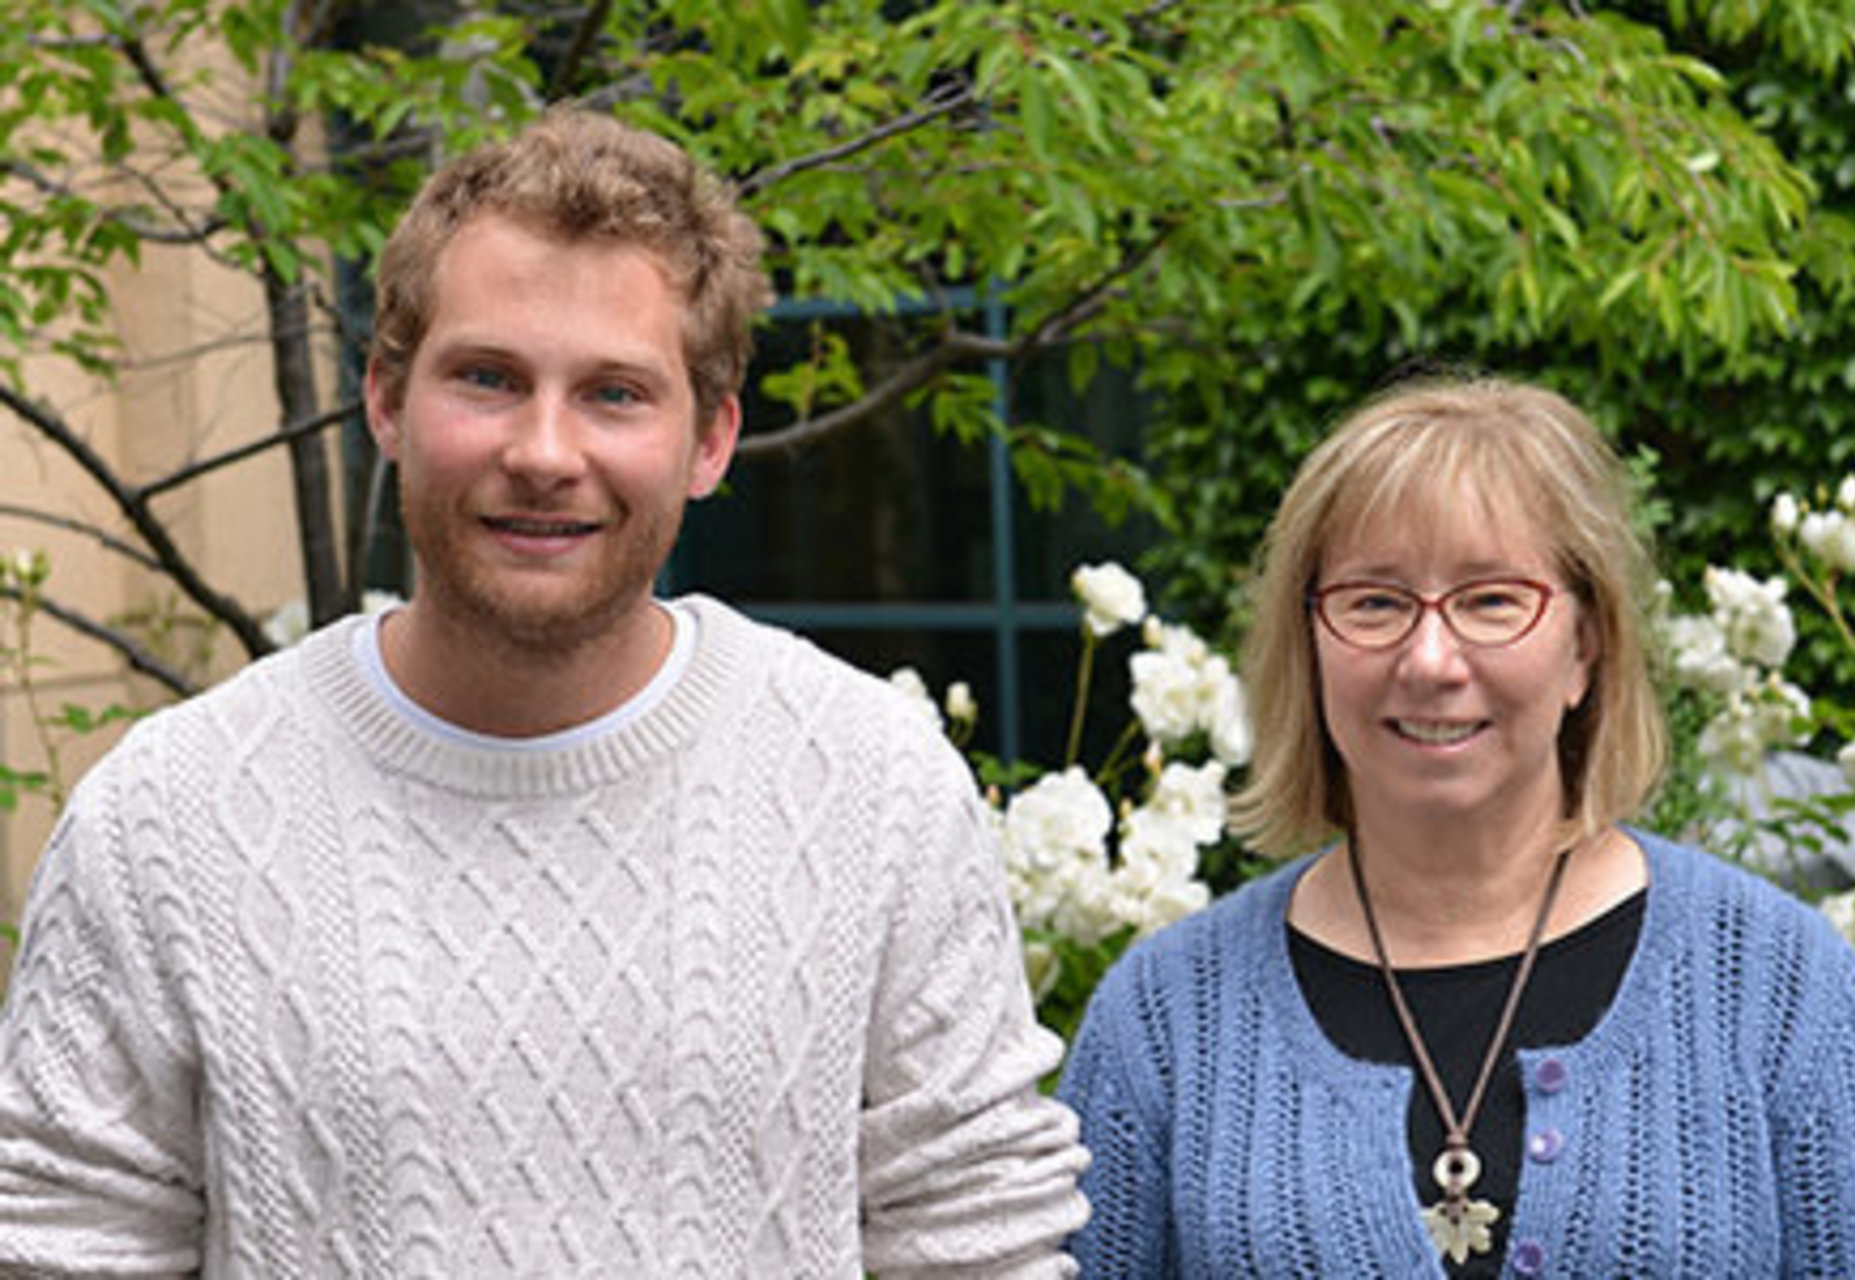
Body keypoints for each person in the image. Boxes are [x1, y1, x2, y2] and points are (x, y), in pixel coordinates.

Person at [0, 109, 1088, 1275]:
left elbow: (978, 1235)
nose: (545, 451)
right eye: (487, 377)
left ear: (711, 438)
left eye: (616, 393)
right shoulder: (170, 817)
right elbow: (68, 1246)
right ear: (384, 399)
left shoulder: (872, 781)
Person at [1058, 377, 1855, 1275]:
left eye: (1493, 600)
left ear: (1585, 647)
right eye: (1374, 603)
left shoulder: (1776, 988)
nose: (1430, 659)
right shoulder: (1168, 1020)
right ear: (1308, 644)